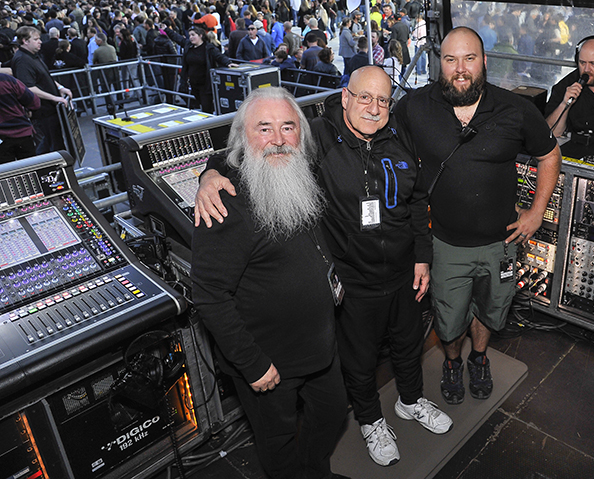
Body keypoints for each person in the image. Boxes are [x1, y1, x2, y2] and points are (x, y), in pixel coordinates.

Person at [195, 66, 453, 468]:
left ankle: (406, 404)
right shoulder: (317, 139)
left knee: (357, 390)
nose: (373, 107)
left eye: (382, 99)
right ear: (345, 97)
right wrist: (209, 173)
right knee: (342, 381)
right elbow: (210, 292)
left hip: (384, 287)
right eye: (265, 128)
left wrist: (422, 255)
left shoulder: (399, 135)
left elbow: (418, 200)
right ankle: (369, 423)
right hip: (337, 297)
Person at [393, 26, 562, 405]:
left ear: (485, 62)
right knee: (449, 319)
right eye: (451, 59)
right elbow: (377, 137)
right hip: (445, 245)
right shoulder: (415, 107)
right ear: (441, 64)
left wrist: (537, 212)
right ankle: (453, 362)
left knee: (491, 309)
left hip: (500, 244)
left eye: (469, 58)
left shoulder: (514, 109)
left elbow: (549, 154)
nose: (460, 68)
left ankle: (479, 358)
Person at [191, 87, 348, 479]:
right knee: (277, 442)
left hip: (318, 348)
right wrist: (253, 364)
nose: (278, 140)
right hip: (269, 361)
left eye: (287, 127)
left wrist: (209, 167)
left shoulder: (298, 168)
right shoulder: (224, 205)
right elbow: (209, 296)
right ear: (244, 140)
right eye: (264, 129)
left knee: (330, 414)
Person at [11, 26, 71, 155]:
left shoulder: (34, 56)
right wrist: (54, 97)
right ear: (25, 41)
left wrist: (60, 88)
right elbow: (29, 87)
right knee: (50, 146)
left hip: (50, 109)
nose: (40, 41)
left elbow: (44, 76)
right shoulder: (22, 60)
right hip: (42, 112)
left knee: (54, 143)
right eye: (36, 39)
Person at [167, 26, 236, 113]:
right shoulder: (189, 46)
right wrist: (166, 29)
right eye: (189, 35)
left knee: (206, 107)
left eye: (193, 35)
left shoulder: (208, 48)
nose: (191, 37)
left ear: (200, 35)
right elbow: (178, 38)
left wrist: (228, 63)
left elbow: (219, 56)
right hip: (193, 83)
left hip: (205, 84)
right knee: (192, 99)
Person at [0, 71, 40, 163]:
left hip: (2, 140)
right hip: (22, 132)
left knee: (7, 174)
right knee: (30, 171)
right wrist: (27, 109)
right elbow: (34, 102)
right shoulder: (8, 80)